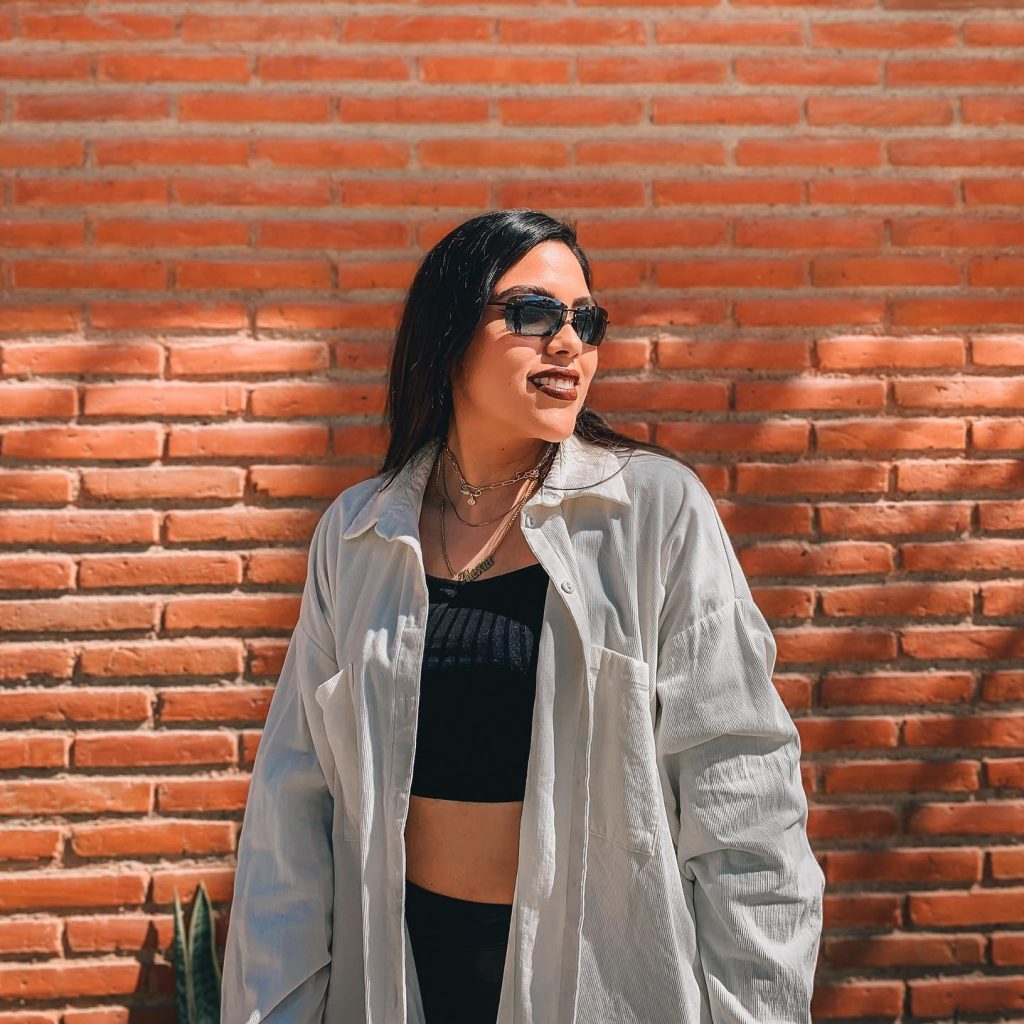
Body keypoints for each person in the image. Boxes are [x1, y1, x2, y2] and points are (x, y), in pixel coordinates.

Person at [220, 208, 826, 1024]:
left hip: (599, 978)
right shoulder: (360, 534)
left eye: (587, 321)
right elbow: (293, 813)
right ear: (449, 334)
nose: (569, 343)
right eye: (534, 313)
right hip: (401, 972)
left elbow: (744, 793)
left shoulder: (653, 513)